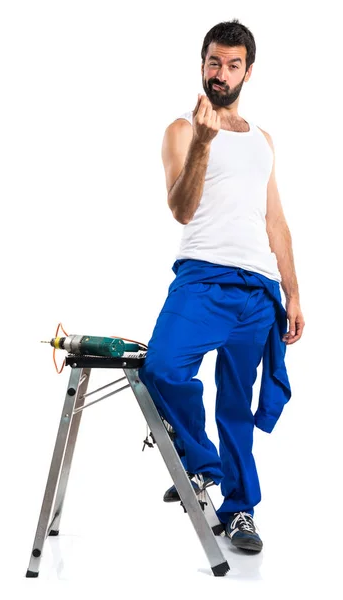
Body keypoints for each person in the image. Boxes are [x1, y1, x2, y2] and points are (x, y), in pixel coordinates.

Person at [138, 19, 305, 553]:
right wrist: (205, 145)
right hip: (203, 278)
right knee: (162, 367)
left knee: (236, 406)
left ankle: (240, 512)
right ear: (202, 64)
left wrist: (294, 292)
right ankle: (202, 465)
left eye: (234, 64)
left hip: (258, 291)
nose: (222, 72)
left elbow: (275, 221)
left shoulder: (263, 141)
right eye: (214, 61)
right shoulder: (182, 131)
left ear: (248, 72)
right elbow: (181, 211)